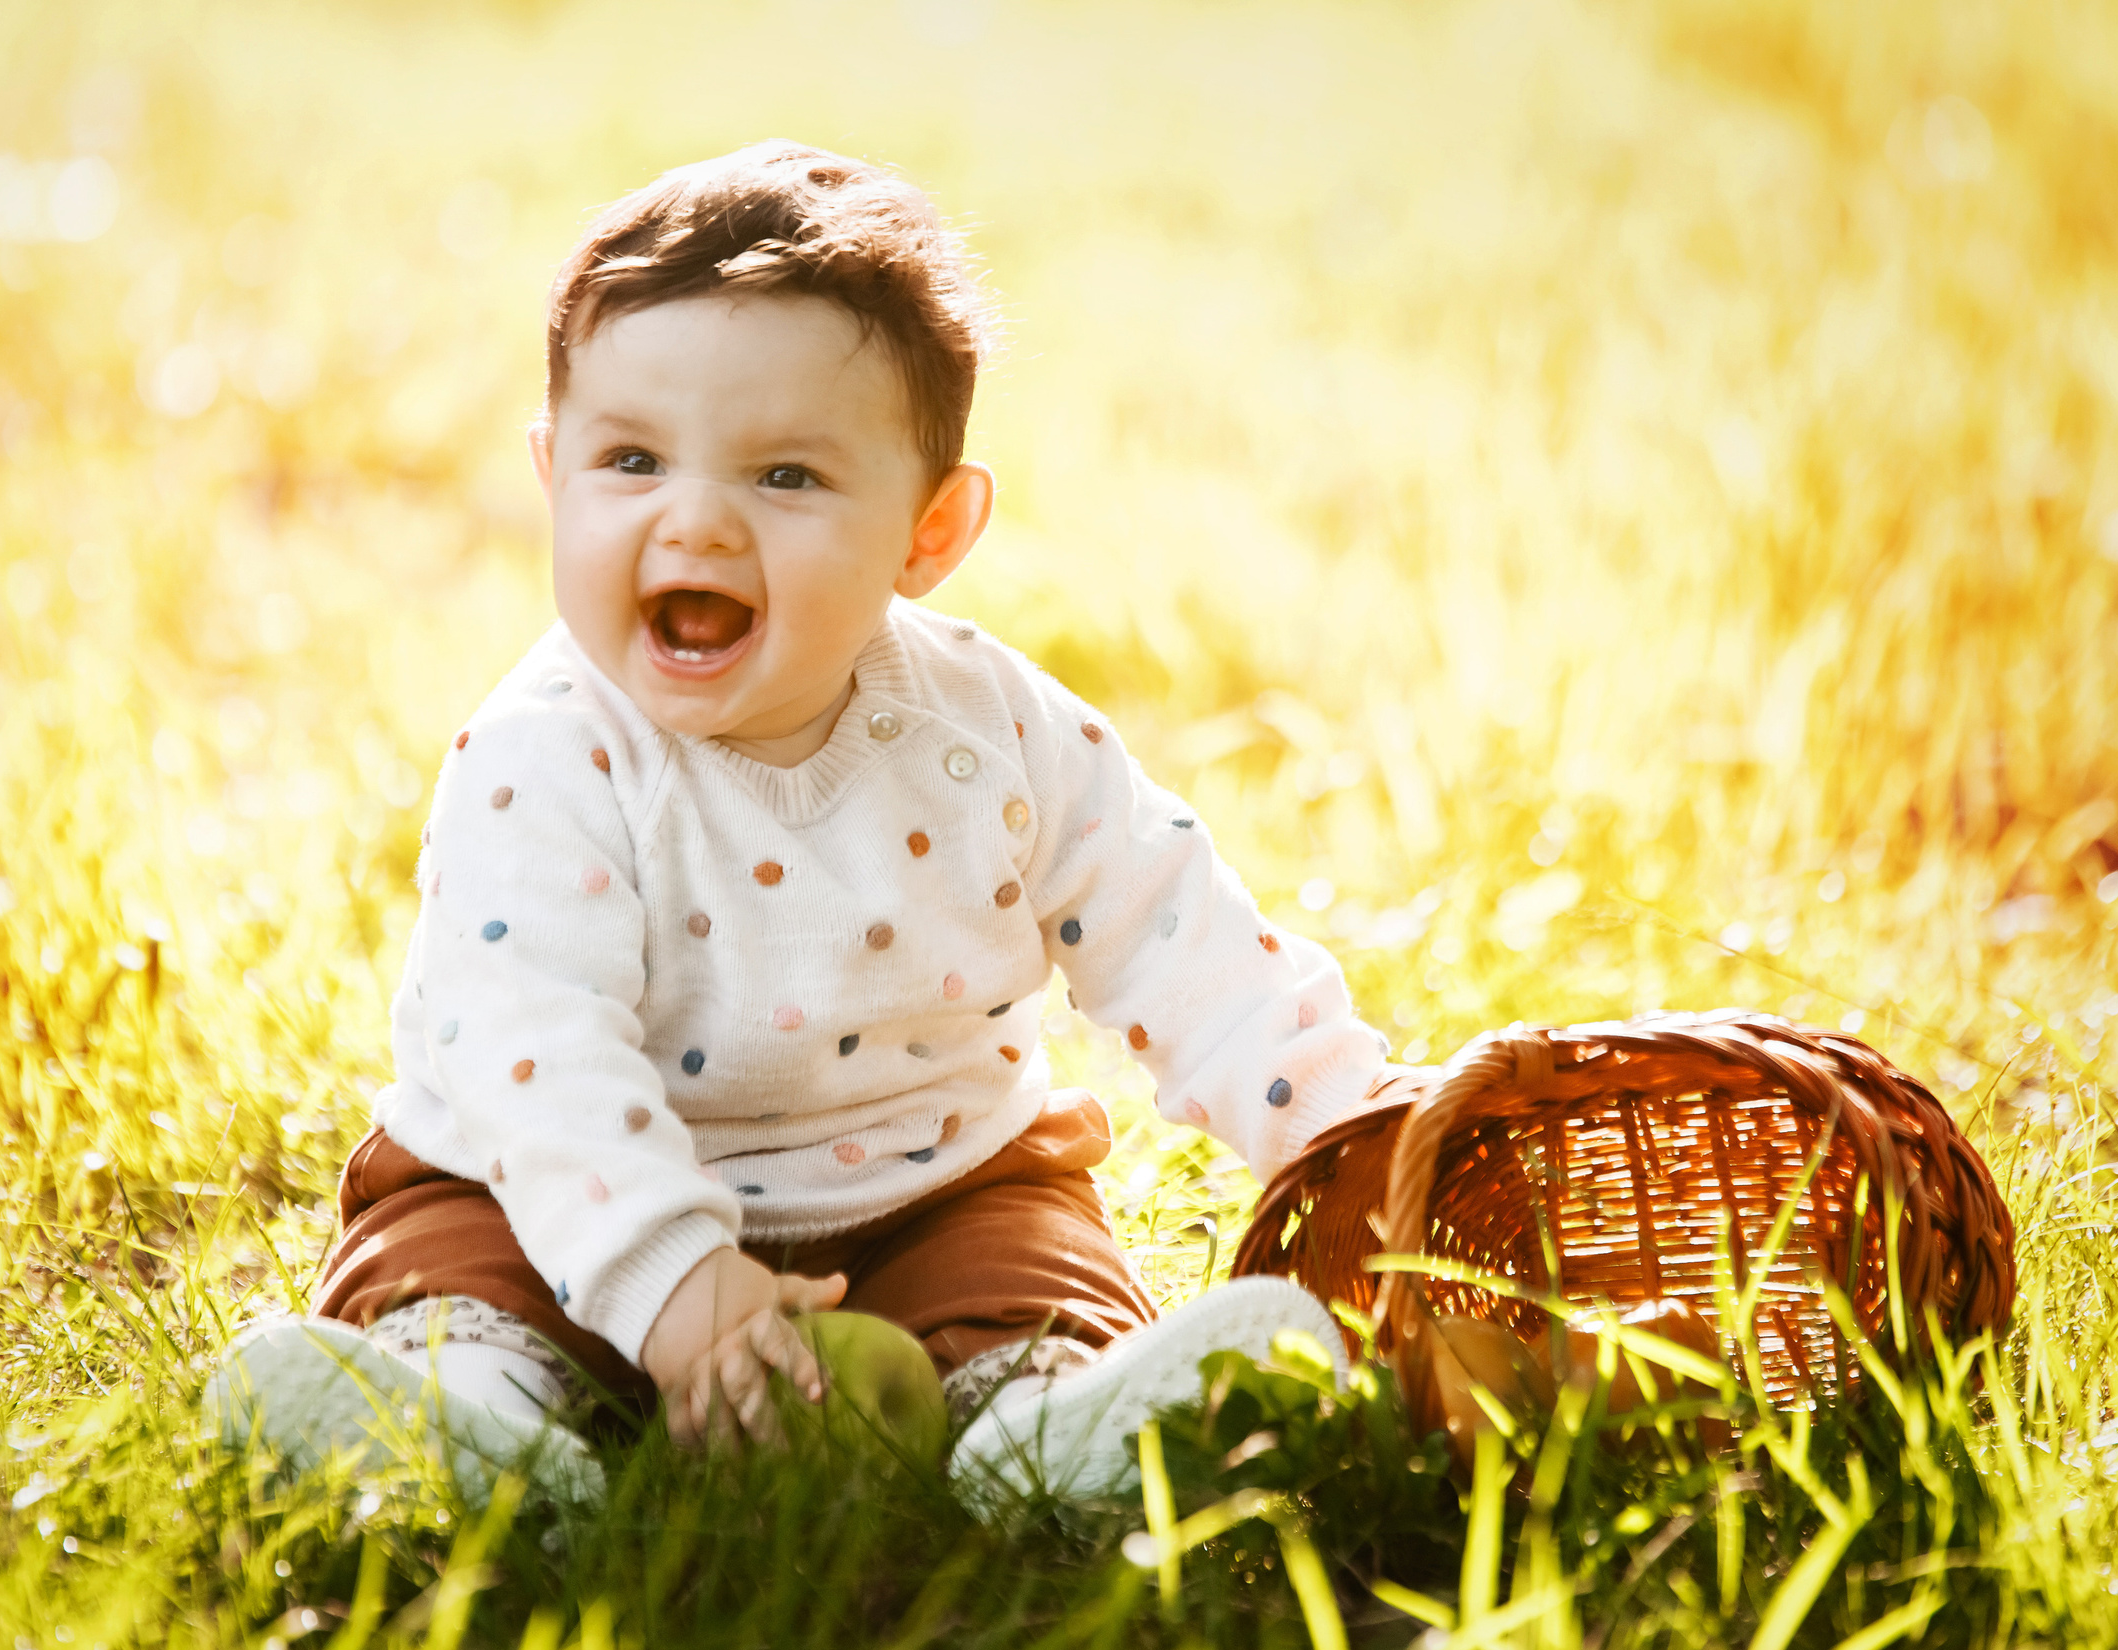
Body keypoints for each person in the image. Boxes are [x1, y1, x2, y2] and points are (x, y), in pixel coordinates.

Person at [203, 140, 1384, 1505]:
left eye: (785, 479)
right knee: (461, 1278)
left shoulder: (987, 728)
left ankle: (1053, 1435)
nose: (694, 522)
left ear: (929, 531)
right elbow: (539, 1062)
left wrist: (1353, 1134)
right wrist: (683, 1294)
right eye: (632, 460)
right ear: (552, 472)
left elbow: (1174, 926)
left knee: (1027, 1269)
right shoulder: (548, 756)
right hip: (539, 1194)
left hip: (926, 1189)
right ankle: (462, 1438)